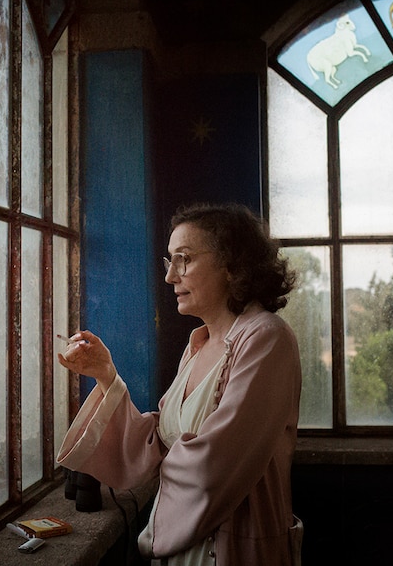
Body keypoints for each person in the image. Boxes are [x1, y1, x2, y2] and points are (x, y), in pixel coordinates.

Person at [56, 202, 303, 565]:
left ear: (233, 265)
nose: (171, 276)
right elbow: (162, 440)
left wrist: (164, 471)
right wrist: (107, 375)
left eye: (184, 259)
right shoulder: (198, 344)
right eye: (169, 261)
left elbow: (216, 465)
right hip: (182, 552)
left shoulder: (267, 337)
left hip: (234, 551)